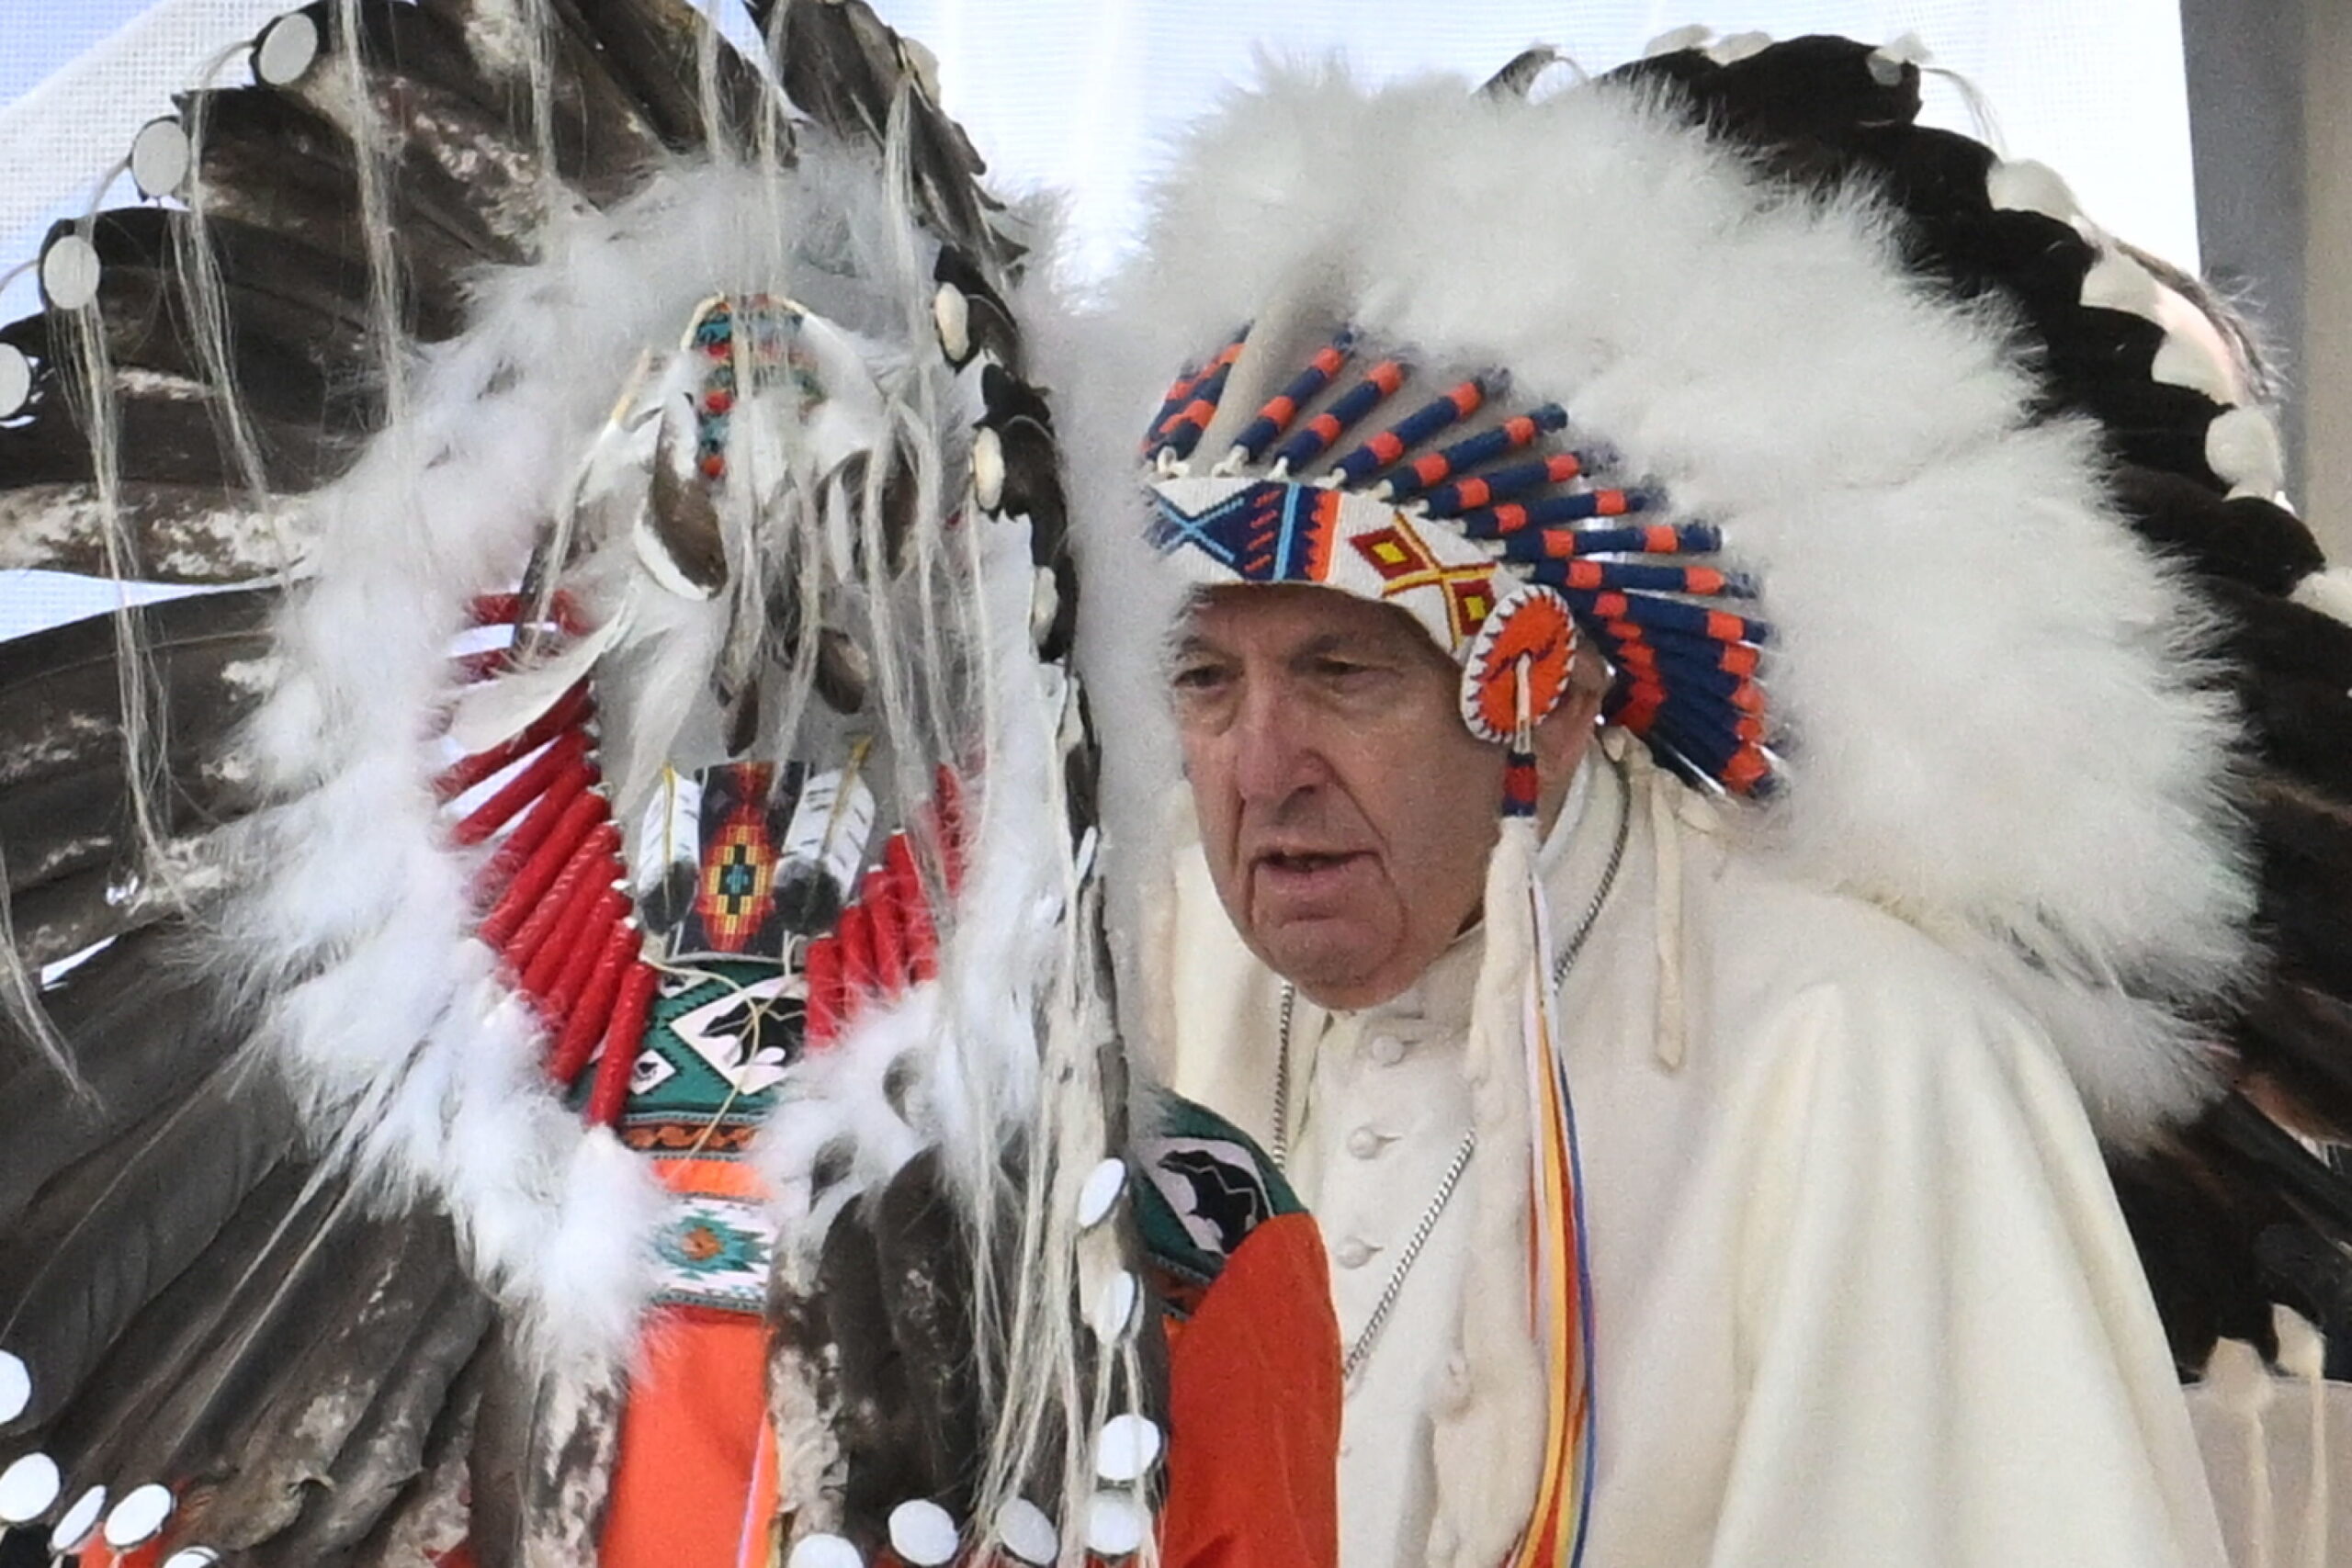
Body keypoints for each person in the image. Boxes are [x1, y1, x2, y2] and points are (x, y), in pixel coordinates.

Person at [1058, 36, 2334, 1568]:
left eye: (1344, 672)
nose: (1261, 770)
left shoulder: (1858, 1058)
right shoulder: (1158, 1002)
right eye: (1205, 684)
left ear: (1551, 693)